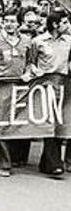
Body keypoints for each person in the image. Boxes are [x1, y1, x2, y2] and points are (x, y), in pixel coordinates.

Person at [0, 10, 32, 176]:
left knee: (17, 123)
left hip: (21, 87)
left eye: (13, 21)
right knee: (1, 123)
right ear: (2, 22)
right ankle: (3, 163)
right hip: (1, 85)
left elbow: (30, 62)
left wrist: (28, 73)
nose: (10, 24)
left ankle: (17, 158)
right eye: (6, 21)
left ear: (18, 23)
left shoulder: (27, 41)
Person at [29, 10, 71, 176]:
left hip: (64, 85)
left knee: (60, 123)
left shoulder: (69, 41)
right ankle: (55, 163)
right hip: (44, 85)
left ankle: (46, 163)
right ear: (55, 24)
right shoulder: (38, 41)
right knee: (48, 123)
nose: (67, 25)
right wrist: (34, 71)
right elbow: (30, 62)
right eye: (64, 22)